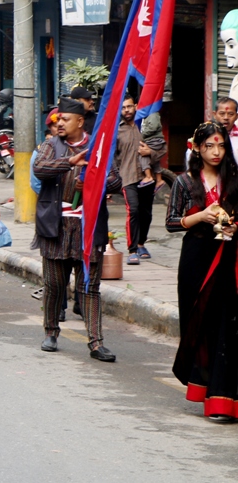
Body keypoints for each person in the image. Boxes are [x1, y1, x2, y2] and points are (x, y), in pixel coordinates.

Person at [33, 96, 121, 362]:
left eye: (65, 119)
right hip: (55, 225)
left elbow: (116, 180)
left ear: (80, 121)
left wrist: (95, 183)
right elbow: (39, 168)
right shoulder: (51, 145)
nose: (59, 123)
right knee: (54, 283)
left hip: (88, 227)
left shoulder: (99, 146)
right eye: (58, 119)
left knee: (89, 287)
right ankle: (51, 331)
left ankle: (96, 343)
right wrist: (69, 163)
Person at [167, 121, 238, 421]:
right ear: (197, 148)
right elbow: (172, 223)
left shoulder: (234, 180)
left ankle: (223, 400)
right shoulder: (185, 182)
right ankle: (202, 387)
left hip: (229, 258)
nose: (216, 151)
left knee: (228, 327)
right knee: (200, 325)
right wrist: (201, 216)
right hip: (196, 260)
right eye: (209, 145)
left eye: (221, 145)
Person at [117, 96, 167, 266]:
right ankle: (132, 250)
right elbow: (111, 157)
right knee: (134, 210)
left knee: (146, 212)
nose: (127, 111)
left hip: (148, 177)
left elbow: (162, 149)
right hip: (127, 177)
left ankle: (141, 244)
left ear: (136, 106)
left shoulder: (145, 126)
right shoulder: (117, 131)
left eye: (129, 107)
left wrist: (150, 153)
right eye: (123, 108)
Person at [139, 112, 166, 190]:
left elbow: (153, 127)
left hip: (153, 140)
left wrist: (141, 135)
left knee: (142, 154)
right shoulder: (147, 116)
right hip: (153, 140)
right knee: (155, 159)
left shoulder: (153, 115)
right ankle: (159, 180)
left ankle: (148, 176)